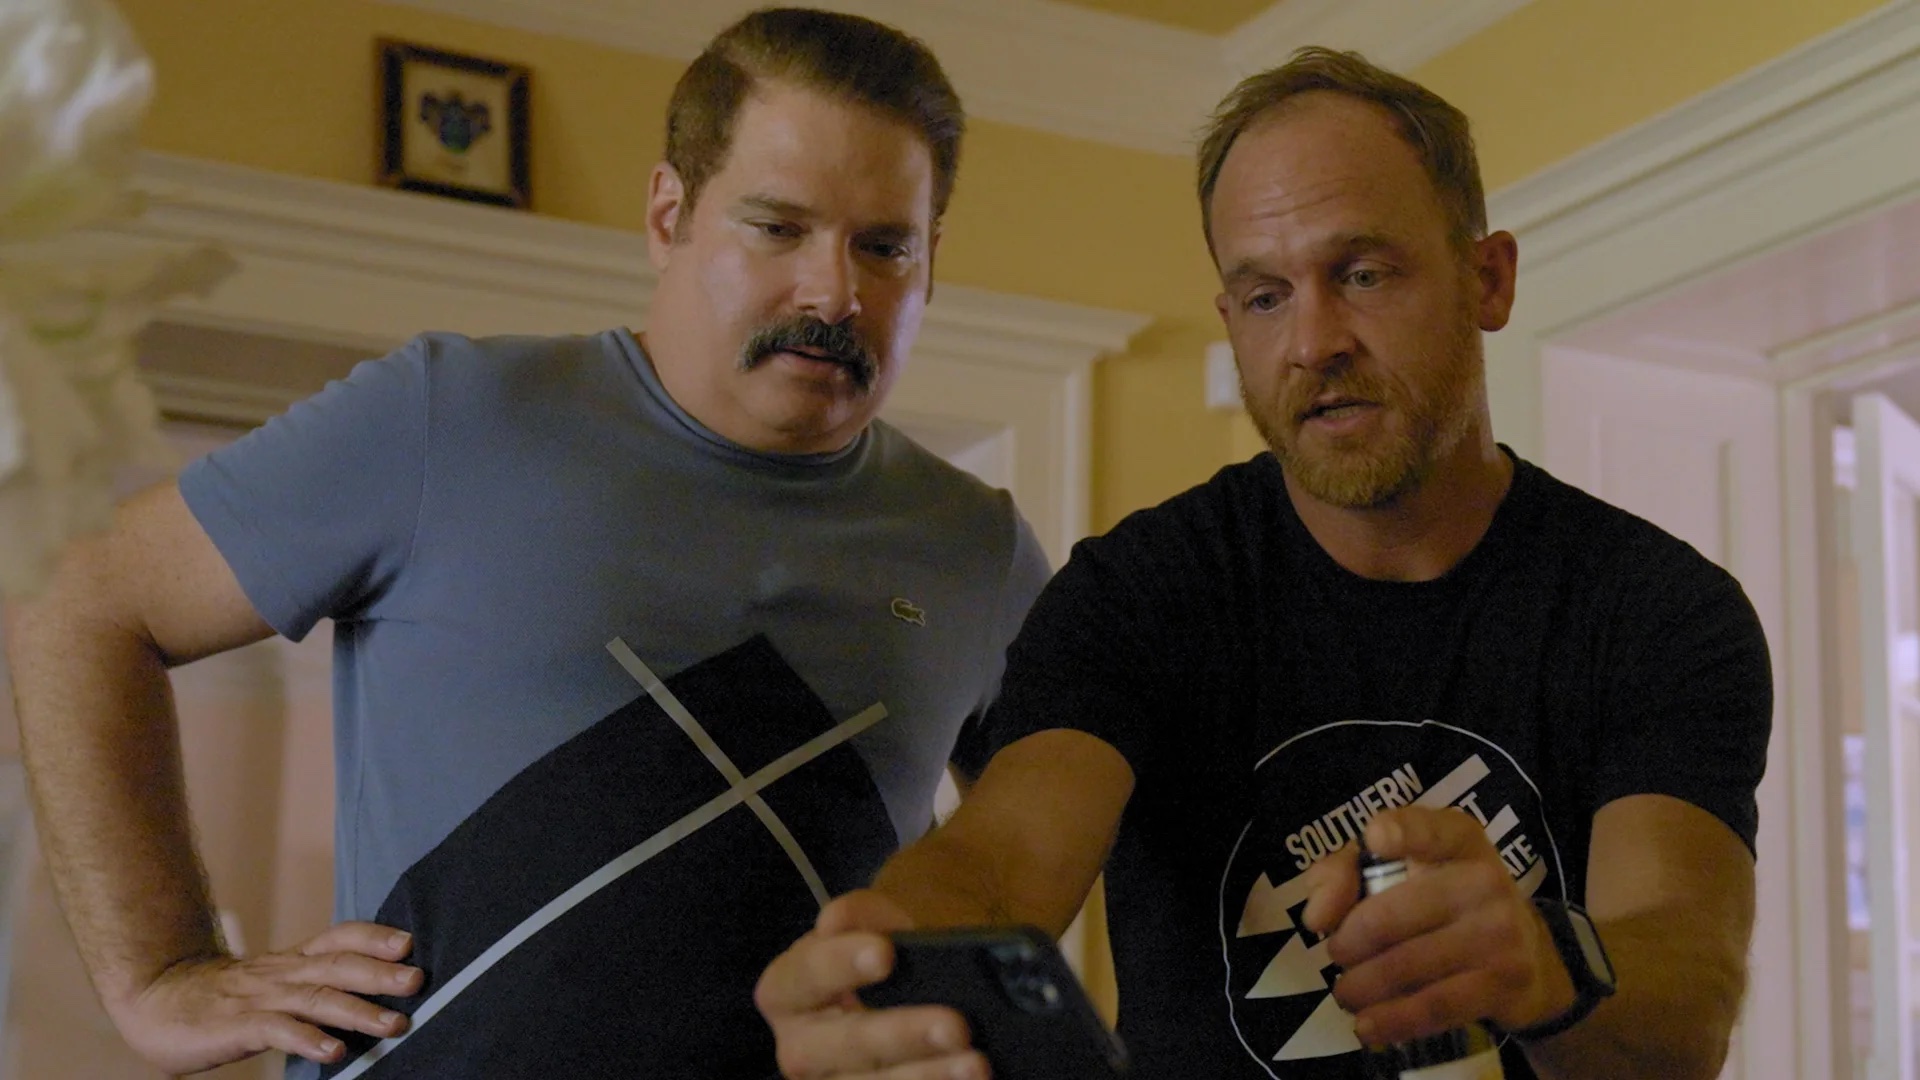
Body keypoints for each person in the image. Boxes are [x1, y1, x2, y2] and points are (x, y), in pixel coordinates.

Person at [4, 8, 1052, 1078]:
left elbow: (1036, 862)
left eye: (885, 246)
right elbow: (83, 598)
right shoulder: (448, 418)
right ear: (669, 216)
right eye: (777, 227)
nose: (835, 291)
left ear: (931, 263)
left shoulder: (982, 553)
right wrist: (161, 974)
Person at [755, 47, 1771, 1080]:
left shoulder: (1658, 610)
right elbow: (1001, 859)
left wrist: (1545, 961)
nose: (1313, 341)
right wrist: (884, 956)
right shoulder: (1140, 592)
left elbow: (1686, 996)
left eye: (1363, 274)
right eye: (1265, 296)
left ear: (1488, 278)